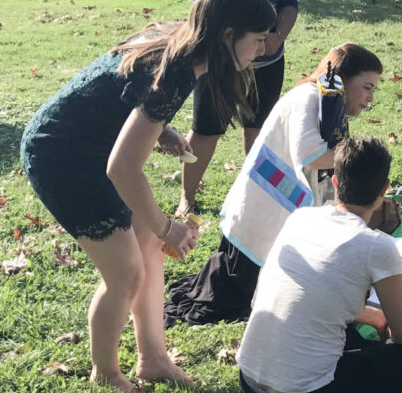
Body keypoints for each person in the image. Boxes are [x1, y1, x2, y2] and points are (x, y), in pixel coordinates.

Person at [19, 0, 276, 393]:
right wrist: (166, 227)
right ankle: (105, 373)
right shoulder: (175, 73)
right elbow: (123, 169)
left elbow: (119, 98)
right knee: (125, 270)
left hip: (91, 147)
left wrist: (161, 130)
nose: (263, 49)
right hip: (61, 157)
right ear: (228, 35)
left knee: (146, 250)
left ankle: (153, 358)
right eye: (259, 39)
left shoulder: (184, 43)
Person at [164, 44, 382, 327]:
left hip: (278, 215)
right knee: (240, 295)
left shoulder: (329, 102)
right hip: (261, 215)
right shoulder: (308, 98)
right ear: (343, 77)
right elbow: (311, 154)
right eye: (367, 87)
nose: (369, 98)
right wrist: (357, 160)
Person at [236, 137, 402, 393]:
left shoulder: (300, 218)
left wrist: (370, 315)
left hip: (248, 377)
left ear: (335, 181)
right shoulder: (379, 246)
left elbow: (315, 290)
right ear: (385, 190)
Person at [179, 0, 299, 216]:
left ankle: (256, 192)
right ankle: (186, 198)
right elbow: (208, 8)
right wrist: (240, 46)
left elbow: (289, 4)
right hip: (221, 64)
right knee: (207, 129)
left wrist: (275, 38)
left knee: (259, 128)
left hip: (268, 61)